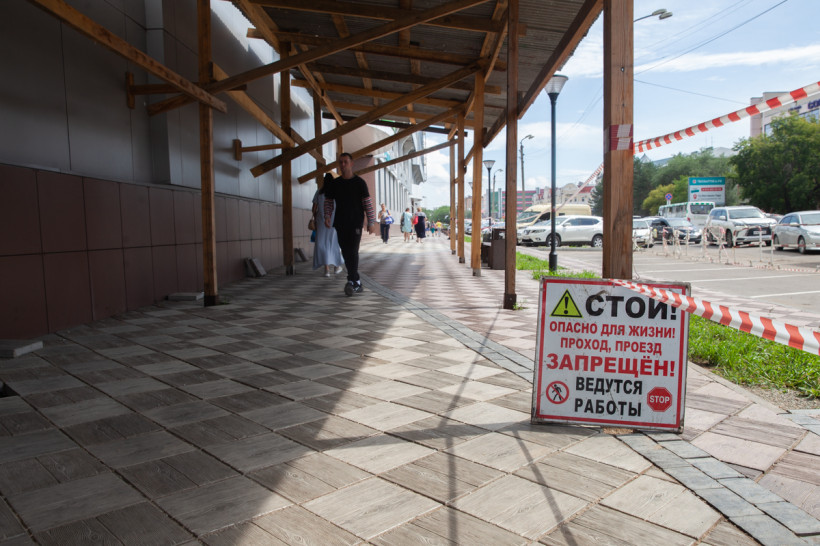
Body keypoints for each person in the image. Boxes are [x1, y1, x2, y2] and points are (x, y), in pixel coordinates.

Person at [324, 153, 377, 296]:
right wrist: (327, 216)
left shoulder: (360, 183)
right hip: (340, 223)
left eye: (345, 162)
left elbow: (367, 203)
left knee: (353, 251)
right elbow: (328, 201)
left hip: (355, 223)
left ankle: (351, 281)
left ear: (351, 163)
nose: (343, 165)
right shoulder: (335, 184)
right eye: (340, 162)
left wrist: (371, 222)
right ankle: (356, 281)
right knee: (346, 252)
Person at [312, 175, 344, 277]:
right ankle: (336, 267)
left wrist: (316, 217)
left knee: (322, 243)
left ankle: (326, 269)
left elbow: (314, 208)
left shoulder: (319, 192)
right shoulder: (335, 192)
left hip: (321, 221)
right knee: (333, 243)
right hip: (333, 221)